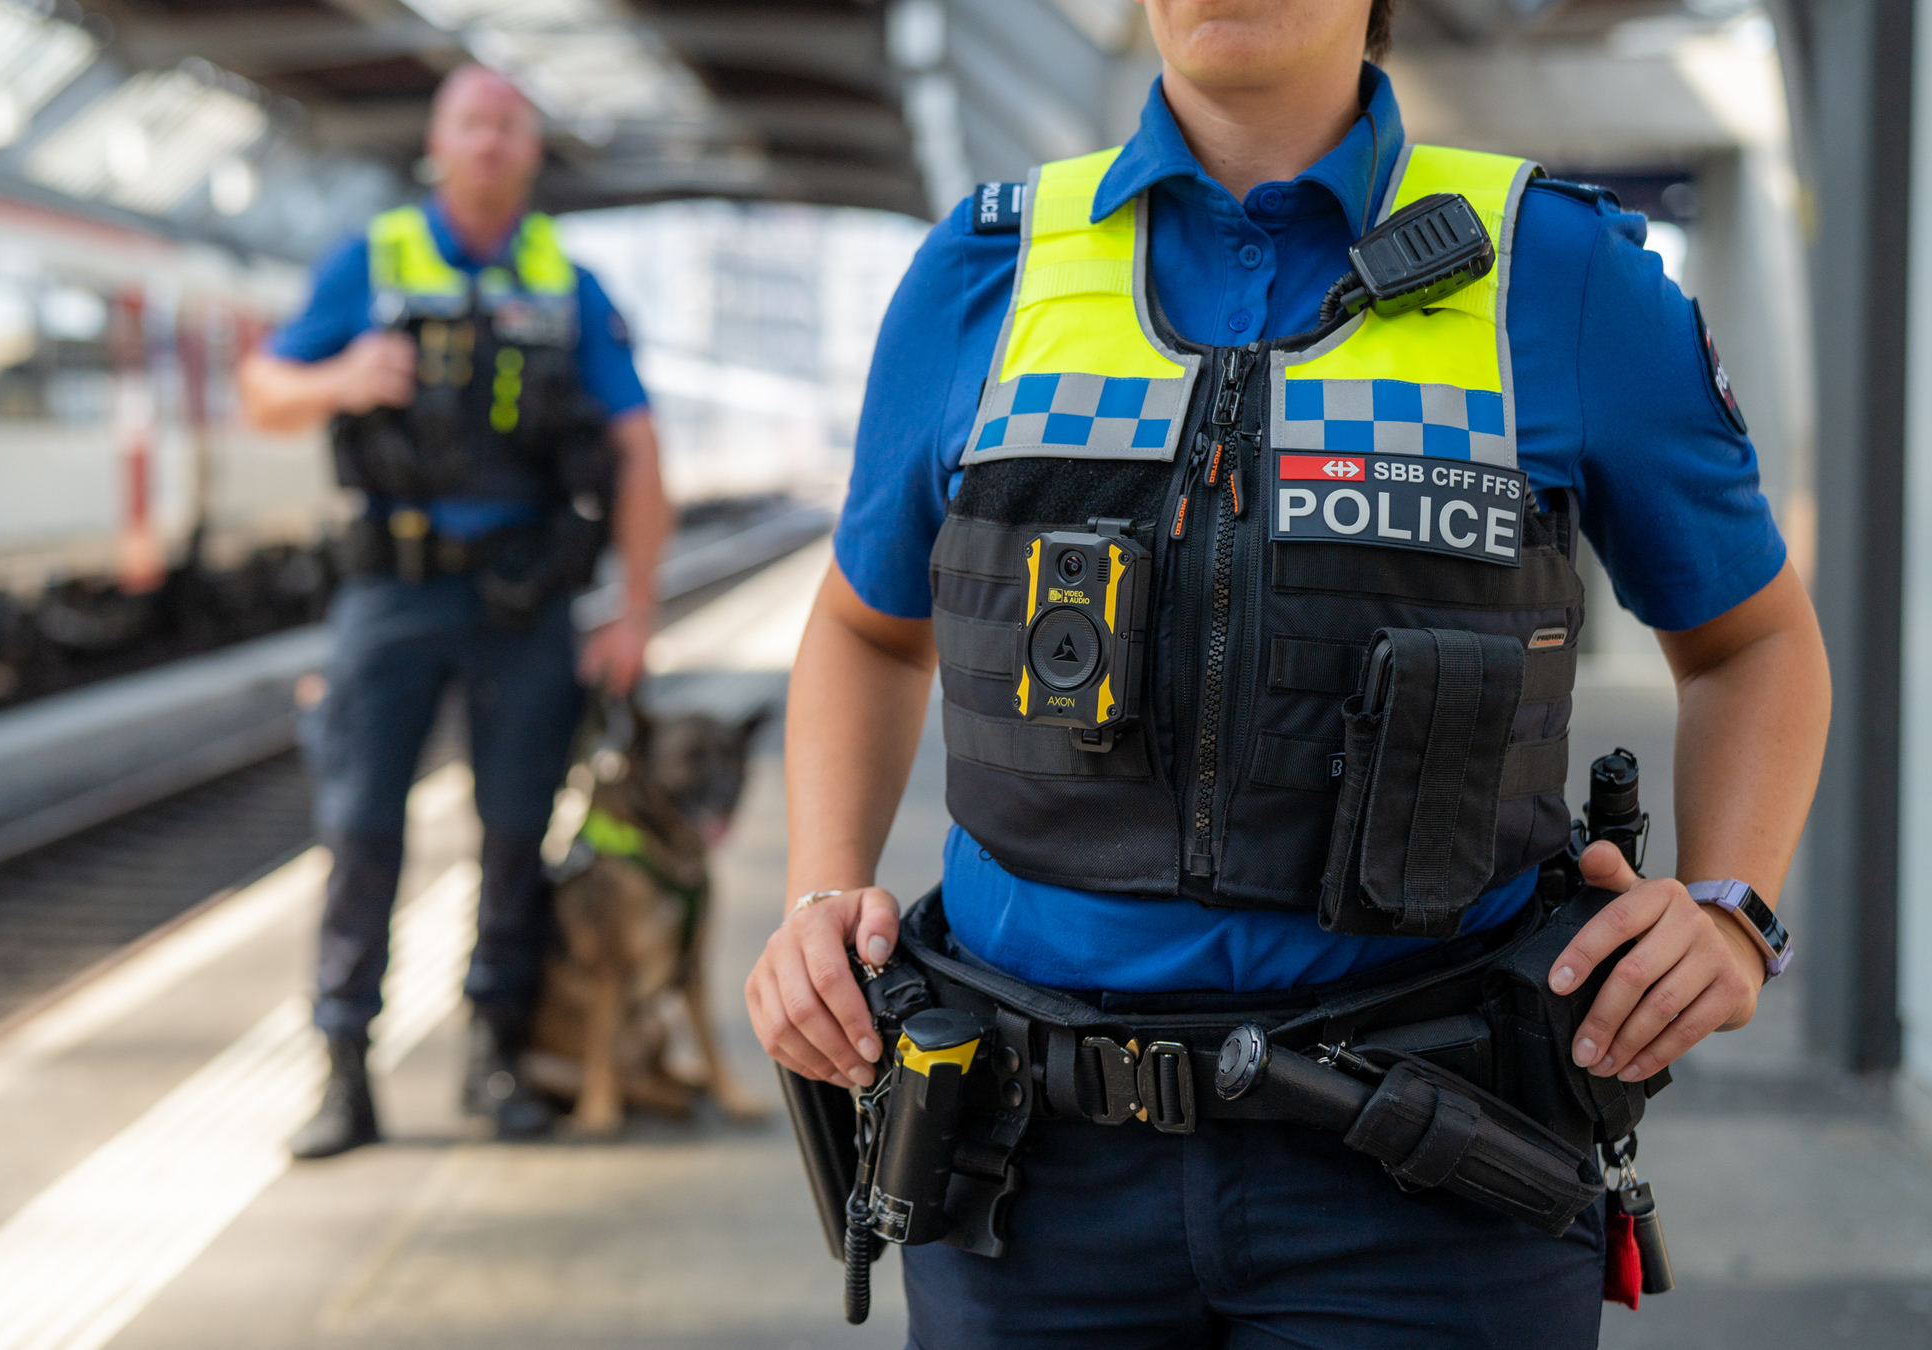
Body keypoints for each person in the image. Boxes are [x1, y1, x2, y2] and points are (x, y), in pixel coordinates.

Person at [747, 0, 1828, 1344]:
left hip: (1432, 1185)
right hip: (1030, 1186)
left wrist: (1730, 904)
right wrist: (816, 889)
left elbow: (1752, 642)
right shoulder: (987, 270)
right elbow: (867, 626)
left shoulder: (1558, 272)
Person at [242, 64, 671, 1158]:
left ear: (532, 153)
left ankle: (495, 1055)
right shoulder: (371, 262)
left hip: (524, 601)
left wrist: (634, 614)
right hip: (391, 592)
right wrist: (342, 377)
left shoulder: (567, 284)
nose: (489, 144)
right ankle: (344, 1069)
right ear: (440, 146)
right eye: (472, 125)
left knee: (517, 833)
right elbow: (264, 391)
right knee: (361, 829)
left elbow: (634, 449)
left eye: (510, 128)